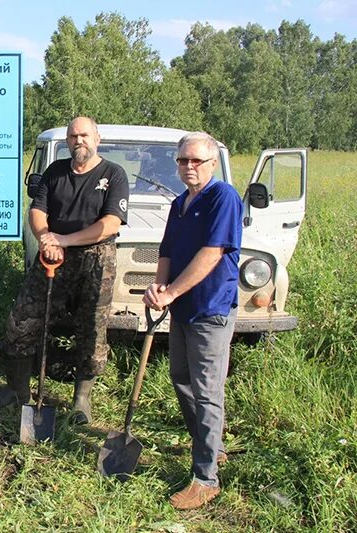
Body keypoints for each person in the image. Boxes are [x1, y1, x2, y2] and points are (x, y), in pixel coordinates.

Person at [0, 116, 129, 425]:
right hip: (51, 257)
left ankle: (81, 400)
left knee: (92, 330)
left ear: (97, 139)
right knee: (21, 321)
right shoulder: (55, 172)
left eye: (84, 135)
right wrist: (46, 238)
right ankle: (20, 393)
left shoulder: (113, 174)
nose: (78, 141)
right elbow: (37, 211)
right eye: (73, 136)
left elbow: (110, 224)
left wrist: (65, 240)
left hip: (95, 260)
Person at [142, 132, 243, 509]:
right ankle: (210, 447)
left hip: (210, 309)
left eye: (196, 161)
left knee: (206, 390)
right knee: (180, 379)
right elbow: (166, 251)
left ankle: (206, 478)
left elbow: (212, 253)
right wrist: (158, 288)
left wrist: (170, 293)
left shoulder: (224, 198)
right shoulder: (180, 203)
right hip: (182, 308)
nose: (189, 167)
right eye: (183, 160)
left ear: (212, 163)